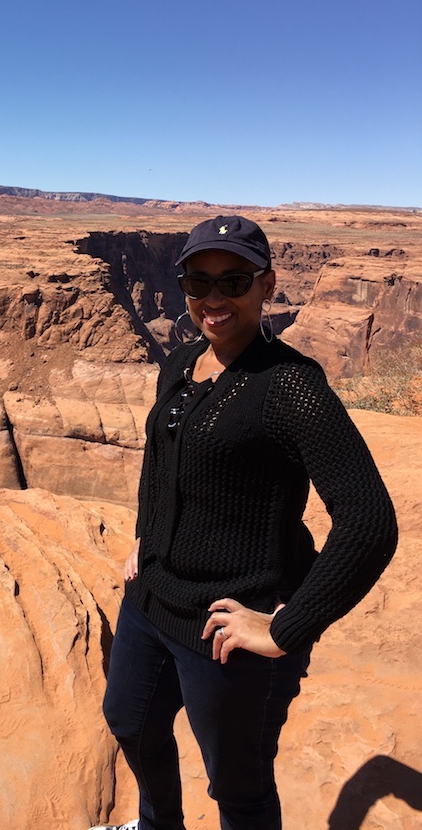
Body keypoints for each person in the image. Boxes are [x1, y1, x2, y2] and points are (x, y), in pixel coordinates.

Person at [90, 215, 397, 830]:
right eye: (197, 283)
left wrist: (287, 629)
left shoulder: (290, 387)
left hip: (226, 627)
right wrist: (147, 538)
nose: (214, 300)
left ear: (267, 285)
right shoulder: (178, 364)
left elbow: (368, 521)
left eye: (234, 281)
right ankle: (157, 826)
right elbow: (162, 461)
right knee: (130, 721)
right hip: (151, 600)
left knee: (239, 785)